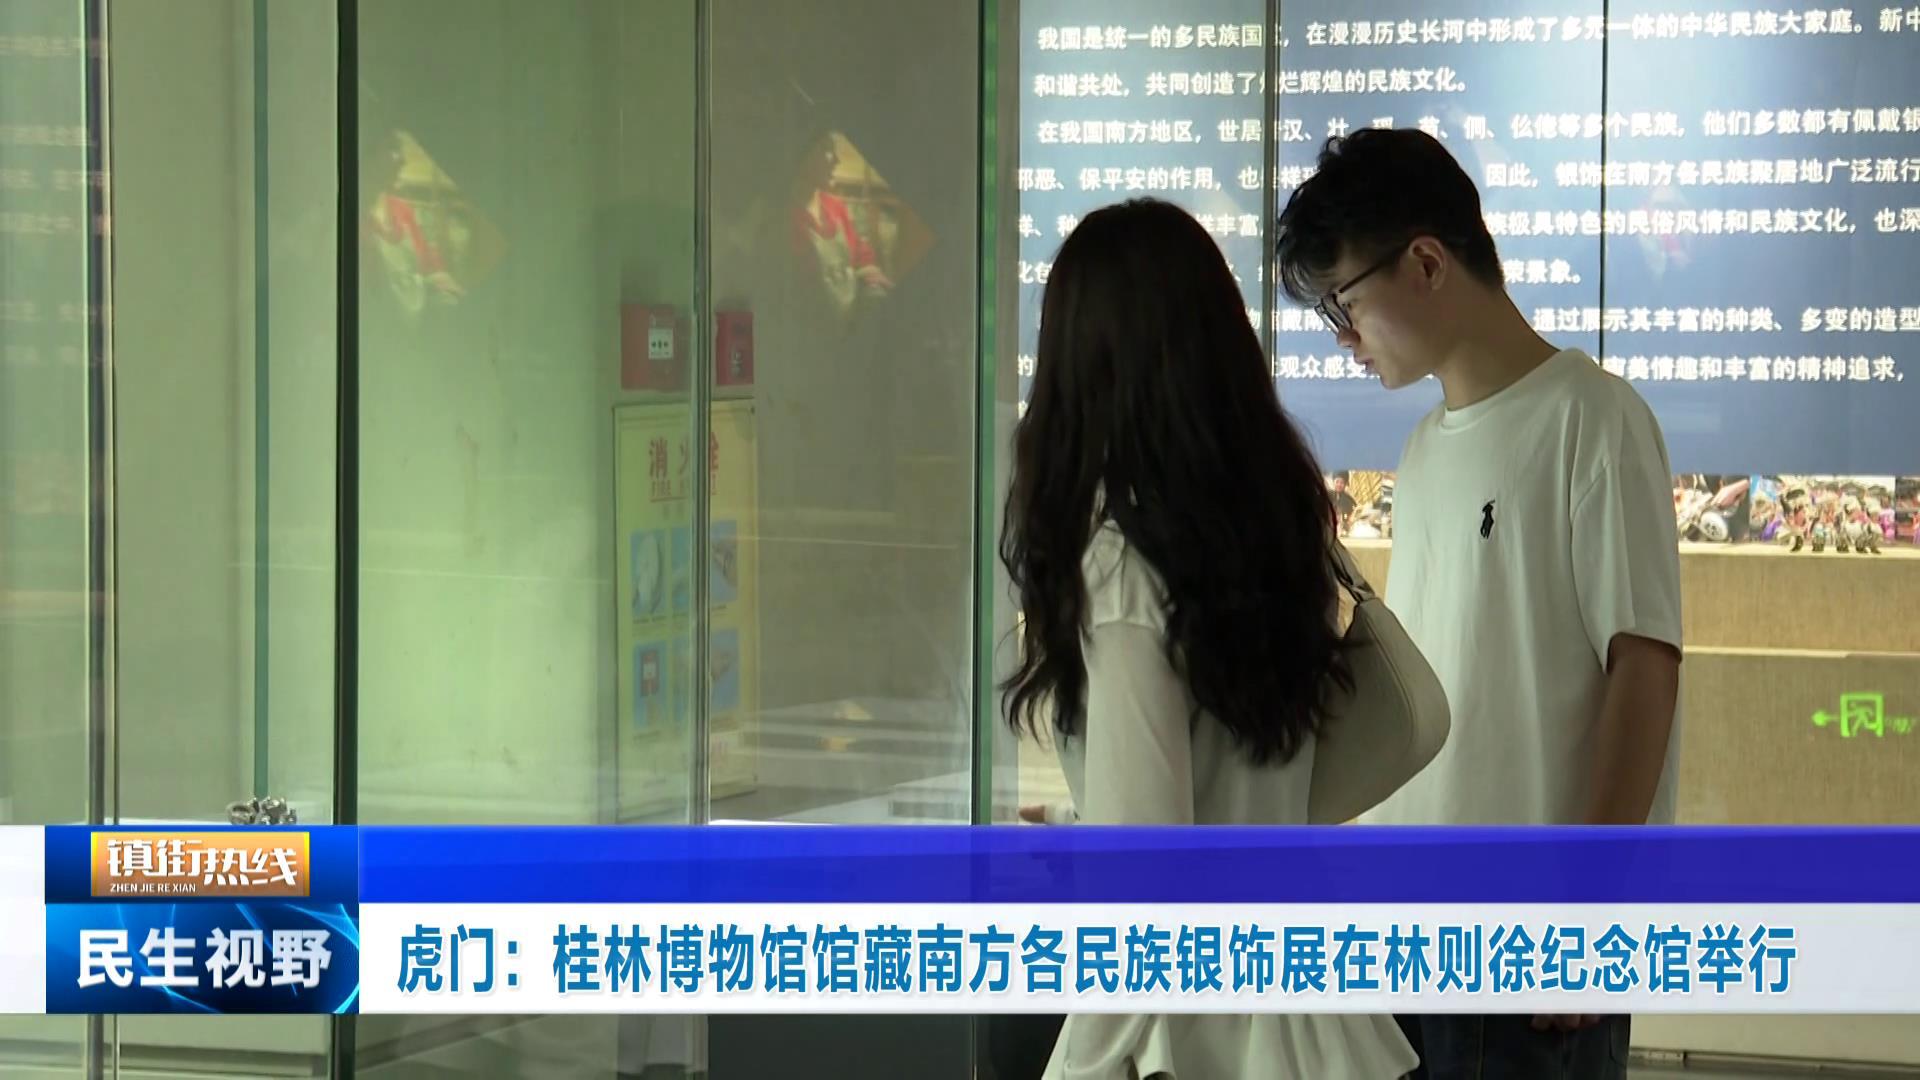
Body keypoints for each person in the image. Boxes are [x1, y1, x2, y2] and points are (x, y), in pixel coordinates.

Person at [1275, 127, 1684, 1079]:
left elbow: (1643, 667)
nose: (1343, 338)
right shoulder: (1424, 449)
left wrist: (1588, 914)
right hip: (1408, 937)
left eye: (1345, 303)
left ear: (1425, 262)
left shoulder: (1593, 418)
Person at [1000, 198, 1417, 1080]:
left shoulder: (1123, 565)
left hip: (1192, 1041)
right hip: (1313, 1014)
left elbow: (1146, 886)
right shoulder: (1276, 533)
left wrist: (1080, 1065)